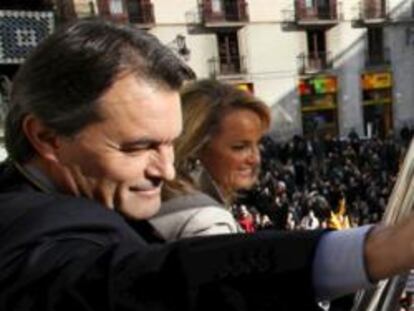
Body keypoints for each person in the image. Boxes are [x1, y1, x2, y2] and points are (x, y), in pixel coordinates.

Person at [0, 19, 414, 311]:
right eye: (138, 147)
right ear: (48, 138)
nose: (164, 169)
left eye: (169, 143)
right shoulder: (33, 234)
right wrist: (377, 250)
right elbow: (143, 283)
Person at [150, 79, 270, 239]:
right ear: (194, 147)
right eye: (239, 147)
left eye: (258, 144)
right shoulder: (208, 223)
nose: (255, 158)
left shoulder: (151, 201)